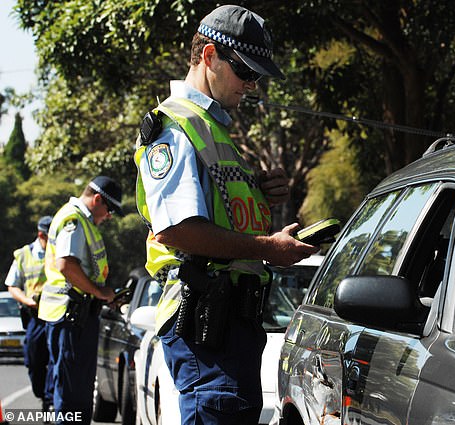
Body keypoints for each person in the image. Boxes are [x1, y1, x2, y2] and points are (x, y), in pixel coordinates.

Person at [134, 4, 319, 425]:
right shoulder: (175, 127)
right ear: (209, 56)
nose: (252, 85)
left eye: (257, 76)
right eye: (245, 71)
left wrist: (261, 196)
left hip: (230, 320)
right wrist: (268, 247)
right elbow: (179, 230)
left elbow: (218, 214)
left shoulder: (212, 127)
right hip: (205, 320)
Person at [37, 176, 122, 425]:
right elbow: (66, 265)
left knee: (76, 390)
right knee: (72, 394)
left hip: (76, 317)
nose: (109, 217)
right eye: (110, 210)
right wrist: (99, 292)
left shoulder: (82, 220)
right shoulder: (74, 219)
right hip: (70, 316)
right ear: (97, 200)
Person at [5, 216, 54, 413]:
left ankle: (51, 401)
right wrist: (27, 301)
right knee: (34, 361)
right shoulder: (24, 254)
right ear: (42, 235)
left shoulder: (60, 252)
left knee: (56, 359)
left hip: (56, 314)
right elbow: (12, 285)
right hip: (34, 316)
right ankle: (42, 393)